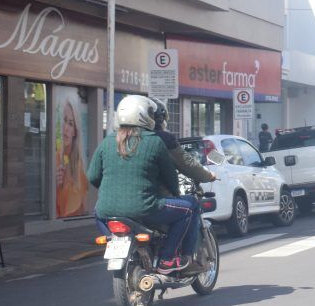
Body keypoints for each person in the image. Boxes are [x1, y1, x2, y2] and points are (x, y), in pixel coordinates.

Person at [87, 95, 198, 273]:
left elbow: (92, 176)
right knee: (190, 207)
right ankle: (168, 259)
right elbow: (170, 178)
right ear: (144, 116)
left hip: (106, 212)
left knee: (97, 212)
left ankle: (112, 240)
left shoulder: (106, 142)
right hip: (147, 208)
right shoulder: (155, 141)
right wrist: (175, 194)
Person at [149, 99, 217, 188]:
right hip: (156, 196)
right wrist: (208, 175)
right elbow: (187, 164)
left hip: (125, 196)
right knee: (190, 201)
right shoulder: (164, 139)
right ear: (159, 118)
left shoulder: (125, 137)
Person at [55, 97, 88, 217]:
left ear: (75, 131)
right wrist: (54, 186)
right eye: (64, 120)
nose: (66, 128)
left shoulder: (78, 166)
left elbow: (78, 207)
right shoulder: (55, 157)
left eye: (70, 123)